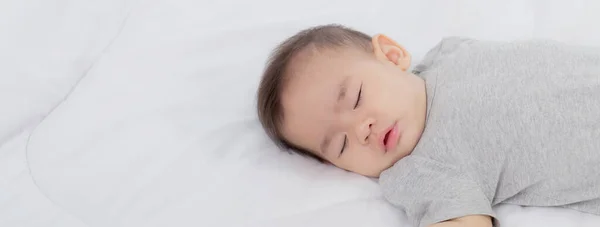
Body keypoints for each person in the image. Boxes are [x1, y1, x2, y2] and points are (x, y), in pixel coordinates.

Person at [256, 24, 600, 227]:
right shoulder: (420, 170)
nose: (362, 129)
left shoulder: (448, 53)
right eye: (341, 145)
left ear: (391, 55)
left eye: (357, 97)